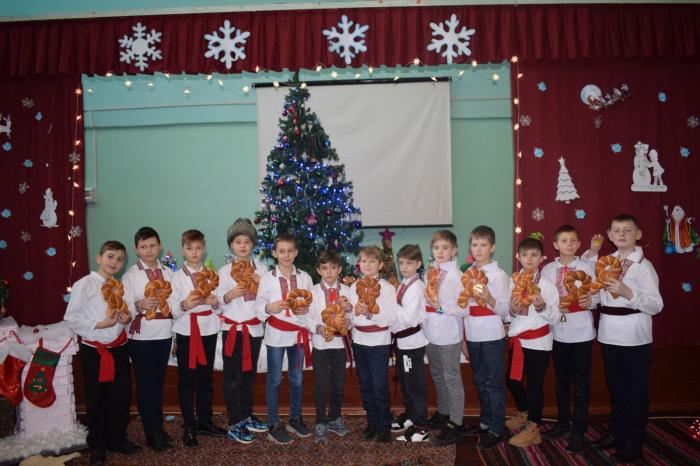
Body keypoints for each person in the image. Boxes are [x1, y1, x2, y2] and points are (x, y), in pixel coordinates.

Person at [588, 214, 663, 463]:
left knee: (635, 393)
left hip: (634, 337)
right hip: (609, 334)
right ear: (609, 235)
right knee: (617, 390)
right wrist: (591, 300)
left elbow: (655, 305)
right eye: (617, 230)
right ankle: (618, 434)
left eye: (627, 230)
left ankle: (634, 443)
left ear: (637, 235)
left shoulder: (643, 266)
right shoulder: (606, 263)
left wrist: (627, 292)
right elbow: (602, 295)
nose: (621, 234)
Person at [64, 241, 140, 466]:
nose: (114, 262)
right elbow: (72, 318)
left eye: (119, 259)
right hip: (95, 351)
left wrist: (126, 319)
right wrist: (99, 325)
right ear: (99, 258)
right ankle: (97, 445)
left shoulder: (118, 286)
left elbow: (123, 316)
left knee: (120, 397)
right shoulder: (84, 284)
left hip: (119, 348)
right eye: (110, 256)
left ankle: (117, 439)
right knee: (97, 399)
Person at [539, 225, 598, 452]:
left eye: (573, 240)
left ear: (579, 244)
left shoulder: (586, 268)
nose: (569, 244)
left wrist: (590, 302)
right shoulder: (547, 270)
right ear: (555, 244)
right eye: (564, 240)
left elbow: (598, 295)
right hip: (558, 332)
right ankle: (563, 423)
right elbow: (544, 297)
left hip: (582, 331)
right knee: (562, 380)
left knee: (581, 383)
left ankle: (579, 429)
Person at [255, 233, 314, 444]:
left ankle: (295, 419)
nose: (286, 255)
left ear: (296, 253)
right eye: (282, 251)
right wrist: (268, 308)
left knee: (297, 378)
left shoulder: (305, 278)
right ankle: (273, 423)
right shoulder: (267, 279)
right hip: (276, 336)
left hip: (297, 336)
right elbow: (258, 307)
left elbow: (312, 306)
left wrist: (305, 311)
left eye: (290, 251)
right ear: (274, 253)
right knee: (274, 379)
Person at [122, 227, 176, 452]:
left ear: (160, 246)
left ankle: (158, 428)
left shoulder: (169, 273)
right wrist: (138, 304)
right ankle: (151, 432)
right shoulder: (131, 275)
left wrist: (175, 337)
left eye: (152, 245)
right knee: (146, 386)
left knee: (157, 384)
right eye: (143, 247)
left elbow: (175, 307)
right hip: (141, 337)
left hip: (164, 334)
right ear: (137, 249)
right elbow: (123, 307)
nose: (149, 250)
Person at [171, 229, 226, 447]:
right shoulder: (177, 277)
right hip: (186, 331)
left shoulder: (212, 275)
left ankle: (205, 421)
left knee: (205, 378)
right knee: (187, 380)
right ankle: (189, 425)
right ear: (182, 250)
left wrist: (215, 303)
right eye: (189, 248)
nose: (194, 252)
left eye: (198, 248)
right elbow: (172, 308)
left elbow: (220, 308)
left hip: (208, 330)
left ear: (204, 249)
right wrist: (185, 305)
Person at [216, 218, 269, 443]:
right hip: (233, 330)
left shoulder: (262, 270)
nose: (243, 246)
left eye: (247, 241)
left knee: (248, 377)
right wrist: (229, 295)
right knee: (233, 378)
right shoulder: (224, 271)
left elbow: (269, 300)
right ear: (231, 245)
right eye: (238, 242)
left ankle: (246, 416)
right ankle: (234, 422)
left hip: (253, 330)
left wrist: (260, 285)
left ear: (253, 244)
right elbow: (216, 301)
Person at [505, 236, 560, 448]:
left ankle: (534, 428)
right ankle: (524, 412)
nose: (529, 258)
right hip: (519, 340)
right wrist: (512, 309)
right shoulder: (513, 281)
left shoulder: (546, 285)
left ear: (542, 258)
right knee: (512, 381)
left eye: (534, 255)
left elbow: (555, 317)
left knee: (535, 386)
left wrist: (541, 306)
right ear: (518, 257)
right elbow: (508, 315)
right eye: (525, 254)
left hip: (538, 343)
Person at [458, 226, 510, 450]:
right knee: (480, 381)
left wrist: (489, 298)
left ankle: (497, 428)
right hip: (472, 334)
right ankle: (485, 422)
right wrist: (463, 337)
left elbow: (506, 311)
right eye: (474, 245)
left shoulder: (499, 275)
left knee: (493, 384)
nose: (478, 249)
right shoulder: (467, 274)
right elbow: (463, 307)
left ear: (492, 247)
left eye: (483, 245)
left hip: (491, 335)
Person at [349, 245, 399, 443]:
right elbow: (351, 317)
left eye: (372, 261)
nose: (367, 264)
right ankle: (372, 422)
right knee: (366, 384)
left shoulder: (387, 288)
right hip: (359, 341)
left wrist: (370, 314)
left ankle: (384, 425)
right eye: (364, 261)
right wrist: (348, 310)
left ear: (380, 265)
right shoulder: (354, 287)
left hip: (379, 342)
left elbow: (391, 317)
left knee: (379, 384)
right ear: (359, 264)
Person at [423, 230, 466, 446]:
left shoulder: (458, 276)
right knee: (438, 375)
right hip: (430, 332)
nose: (440, 252)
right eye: (436, 248)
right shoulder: (429, 273)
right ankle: (443, 413)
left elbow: (464, 308)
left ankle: (456, 422)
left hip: (449, 334)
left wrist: (440, 307)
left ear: (454, 250)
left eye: (445, 248)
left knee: (451, 378)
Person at [307, 250, 352, 444]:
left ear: (339, 269)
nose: (329, 272)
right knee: (321, 386)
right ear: (319, 270)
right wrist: (318, 328)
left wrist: (348, 319)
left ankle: (335, 418)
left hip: (340, 346)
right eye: (325, 268)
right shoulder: (313, 292)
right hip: (320, 346)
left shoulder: (348, 291)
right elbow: (307, 317)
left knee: (338, 386)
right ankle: (320, 421)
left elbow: (353, 317)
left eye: (333, 268)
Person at [390, 244, 430, 443]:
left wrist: (390, 305)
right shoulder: (404, 283)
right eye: (401, 263)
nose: (404, 267)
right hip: (402, 343)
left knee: (415, 386)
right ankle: (411, 416)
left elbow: (408, 318)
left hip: (412, 344)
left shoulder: (417, 287)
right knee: (406, 383)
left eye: (409, 263)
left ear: (418, 264)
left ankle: (421, 428)